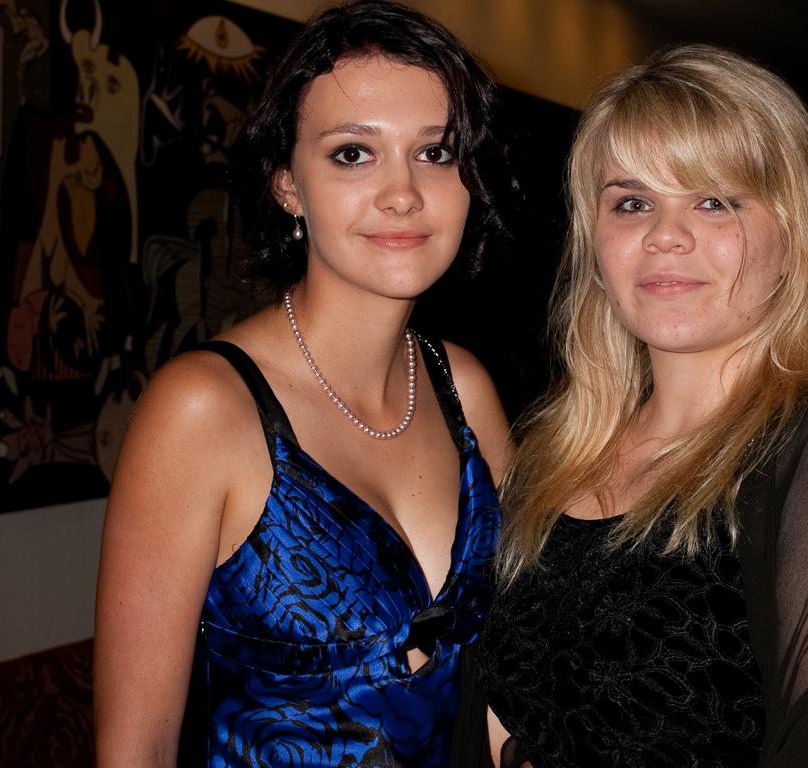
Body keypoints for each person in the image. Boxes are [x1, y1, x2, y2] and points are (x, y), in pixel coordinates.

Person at [93, 2, 513, 766]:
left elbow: (509, 683)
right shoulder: (204, 410)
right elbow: (135, 752)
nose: (403, 193)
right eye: (354, 153)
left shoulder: (467, 390)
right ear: (288, 184)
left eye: (436, 152)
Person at [476, 44, 808, 767]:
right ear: (596, 242)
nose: (665, 235)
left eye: (715, 200)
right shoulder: (551, 458)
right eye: (633, 202)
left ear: (794, 237)